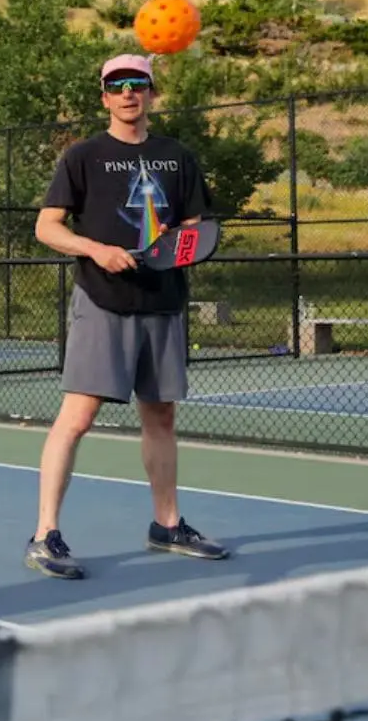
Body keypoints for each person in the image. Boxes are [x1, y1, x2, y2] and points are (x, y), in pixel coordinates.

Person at [24, 54, 229, 580]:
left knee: (160, 416)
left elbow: (194, 226)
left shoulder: (177, 156)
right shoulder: (83, 156)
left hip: (162, 301)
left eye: (137, 84)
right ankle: (45, 534)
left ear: (152, 94)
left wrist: (172, 252)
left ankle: (167, 524)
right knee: (78, 417)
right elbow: (48, 227)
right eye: (117, 86)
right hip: (102, 300)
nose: (128, 93)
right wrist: (95, 249)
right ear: (104, 98)